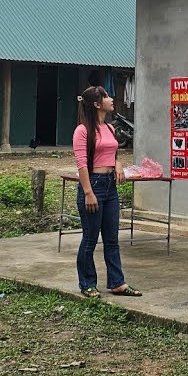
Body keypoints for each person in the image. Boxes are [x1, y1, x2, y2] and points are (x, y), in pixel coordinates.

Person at [73, 86, 141, 299]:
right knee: (90, 238)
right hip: (93, 184)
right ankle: (87, 283)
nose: (111, 99)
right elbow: (82, 164)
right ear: (96, 104)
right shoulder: (82, 130)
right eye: (106, 97)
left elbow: (112, 153)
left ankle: (117, 283)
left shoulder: (109, 128)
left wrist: (118, 164)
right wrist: (88, 192)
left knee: (112, 239)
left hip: (110, 187)